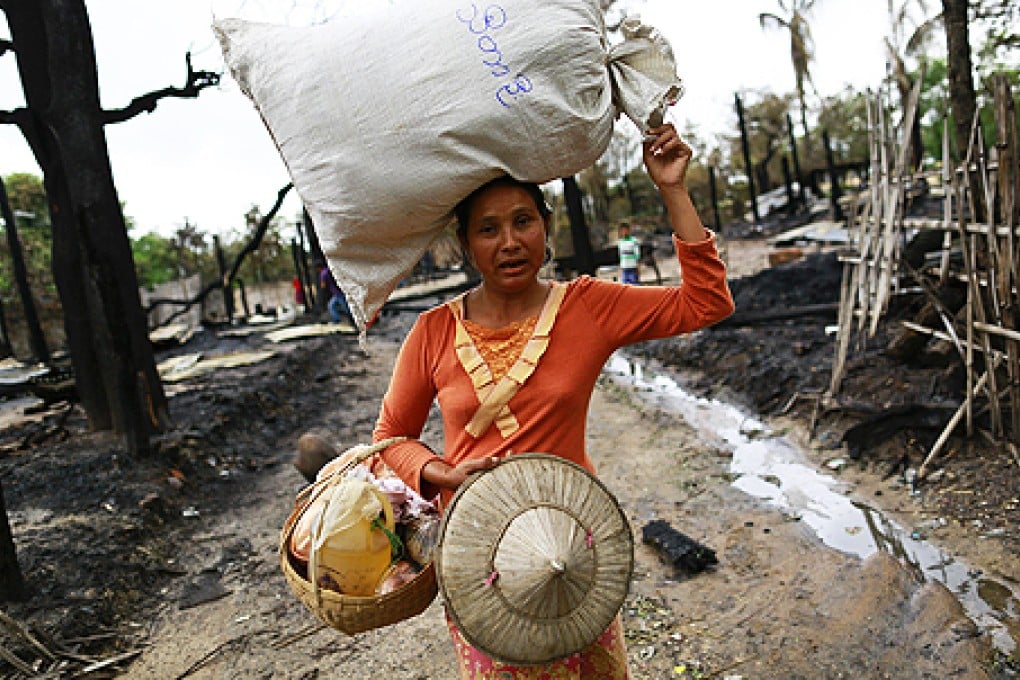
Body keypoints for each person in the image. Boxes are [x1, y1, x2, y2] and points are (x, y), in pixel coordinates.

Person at [372, 123, 734, 678]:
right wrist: (440, 472)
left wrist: (673, 189)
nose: (509, 241)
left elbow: (705, 302)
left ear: (547, 228)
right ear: (466, 246)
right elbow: (389, 438)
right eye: (488, 229)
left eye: (523, 221)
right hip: (478, 557)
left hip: (572, 550)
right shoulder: (432, 332)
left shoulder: (588, 306)